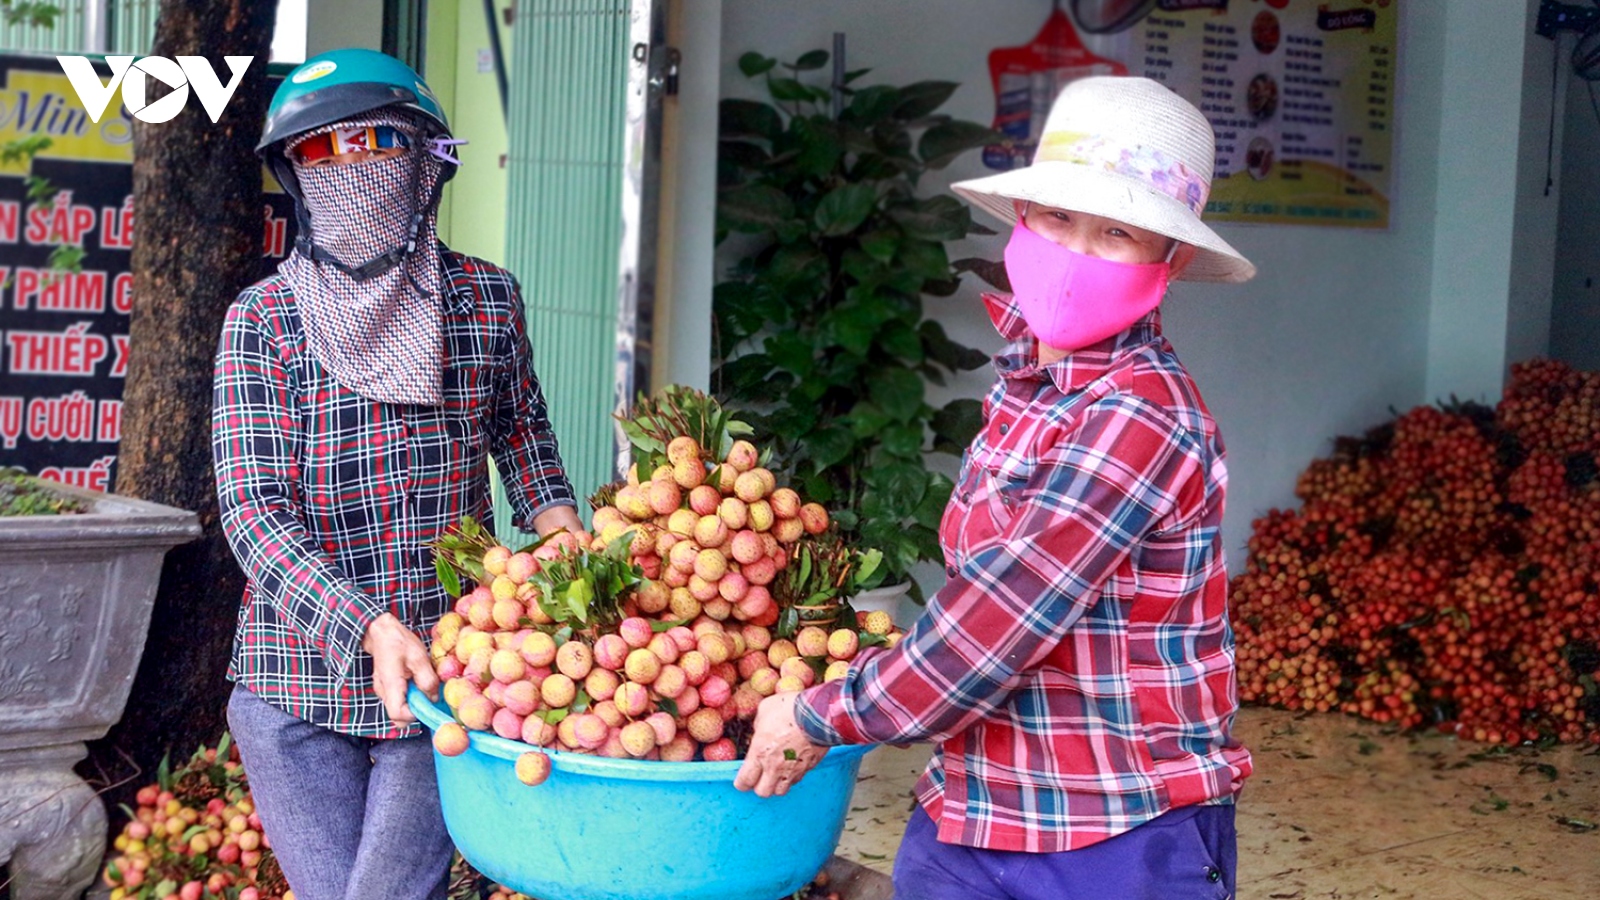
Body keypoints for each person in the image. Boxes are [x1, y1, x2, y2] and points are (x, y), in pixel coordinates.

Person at [735, 76, 1256, 899]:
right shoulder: (1025, 388)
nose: (1076, 251)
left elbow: (995, 624)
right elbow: (980, 599)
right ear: (1022, 220)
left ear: (1172, 260)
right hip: (974, 811)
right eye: (1058, 219)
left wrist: (819, 713)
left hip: (1115, 832)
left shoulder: (1140, 416)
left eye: (1116, 232)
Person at [211, 49, 585, 900]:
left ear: (425, 160)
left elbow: (520, 429)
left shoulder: (486, 299)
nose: (351, 168)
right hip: (292, 686)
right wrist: (368, 627)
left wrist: (556, 518)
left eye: (376, 141)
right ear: (293, 176)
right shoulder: (262, 321)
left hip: (444, 684)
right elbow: (253, 512)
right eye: (321, 152)